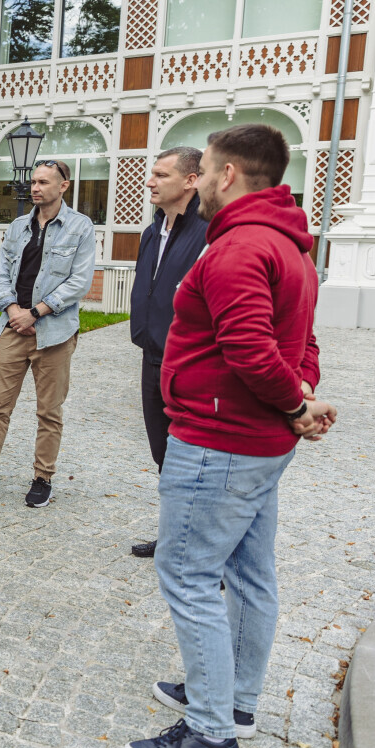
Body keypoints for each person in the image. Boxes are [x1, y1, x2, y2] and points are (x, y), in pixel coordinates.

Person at [125, 124, 338, 748]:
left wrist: (295, 404)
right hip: (257, 443)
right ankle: (234, 700)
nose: (201, 186)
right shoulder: (288, 244)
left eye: (208, 170)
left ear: (226, 174)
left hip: (219, 442)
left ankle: (211, 734)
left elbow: (250, 348)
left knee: (189, 577)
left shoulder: (240, 246)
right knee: (248, 574)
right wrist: (301, 395)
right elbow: (302, 342)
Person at [0, 159, 96, 508]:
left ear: (63, 186)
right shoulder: (18, 226)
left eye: (43, 182)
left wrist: (36, 312)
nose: (35, 188)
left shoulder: (80, 227)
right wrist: (13, 311)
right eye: (33, 181)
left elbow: (79, 282)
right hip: (13, 328)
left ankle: (42, 478)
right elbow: (0, 273)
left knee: (49, 411)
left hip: (55, 333)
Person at [127, 147, 207, 559]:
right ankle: (176, 536)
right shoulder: (151, 231)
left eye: (161, 175)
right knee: (164, 453)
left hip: (188, 362)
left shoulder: (208, 232)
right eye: (152, 174)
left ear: (191, 180)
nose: (150, 182)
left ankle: (206, 550)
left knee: (193, 456)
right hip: (152, 356)